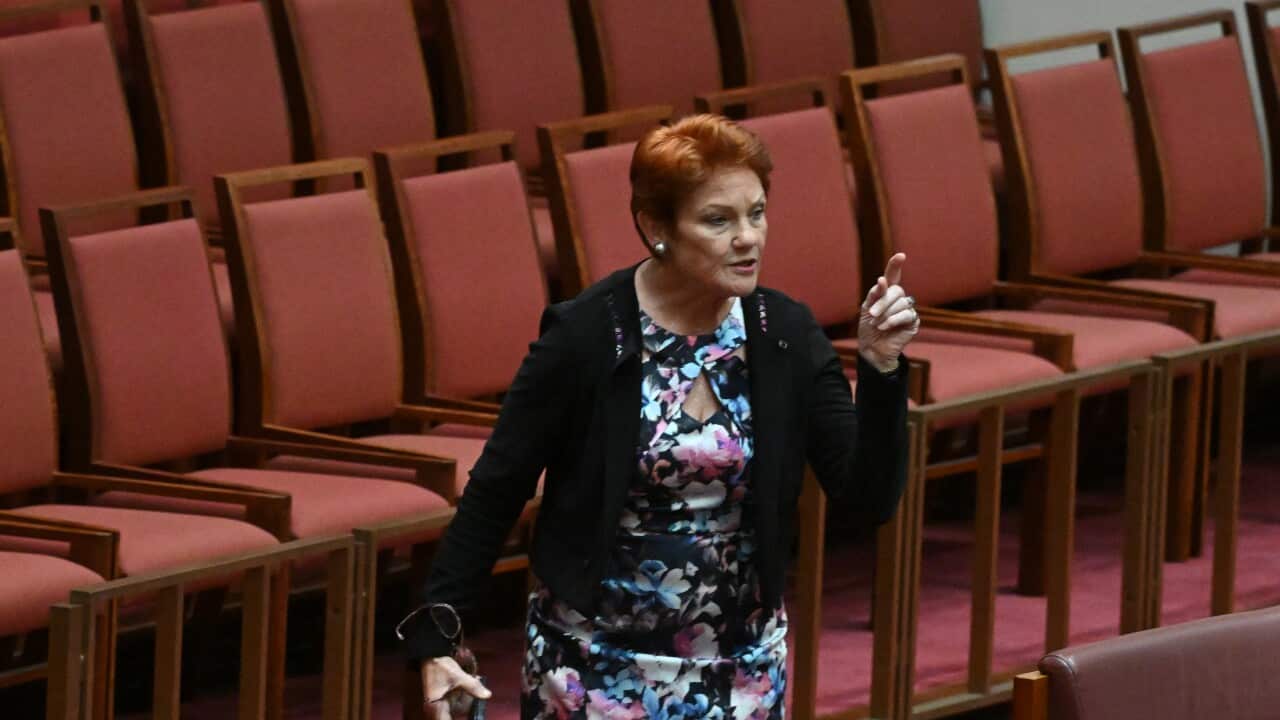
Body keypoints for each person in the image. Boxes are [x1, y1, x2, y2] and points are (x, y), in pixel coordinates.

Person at [402, 114, 919, 719]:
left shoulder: (785, 335)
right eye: (718, 220)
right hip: (597, 669)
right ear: (656, 228)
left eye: (756, 213)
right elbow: (497, 487)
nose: (748, 238)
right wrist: (436, 636)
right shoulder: (587, 336)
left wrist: (882, 371)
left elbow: (867, 500)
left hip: (741, 670)